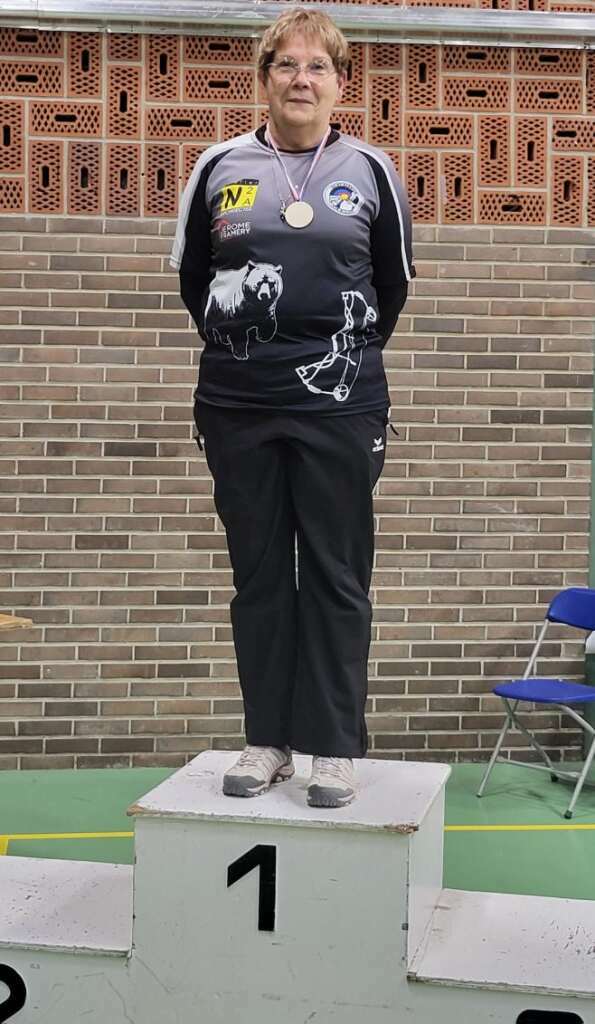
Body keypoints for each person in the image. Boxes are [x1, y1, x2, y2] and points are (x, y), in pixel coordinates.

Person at [170, 8, 415, 808]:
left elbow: (391, 285)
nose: (301, 79)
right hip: (239, 405)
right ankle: (268, 741)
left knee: (338, 577)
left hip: (340, 408)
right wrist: (252, 354)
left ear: (340, 83)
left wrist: (336, 356)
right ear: (264, 78)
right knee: (261, 578)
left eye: (317, 67)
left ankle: (334, 749)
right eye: (286, 65)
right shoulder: (219, 166)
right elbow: (196, 282)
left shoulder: (370, 170)